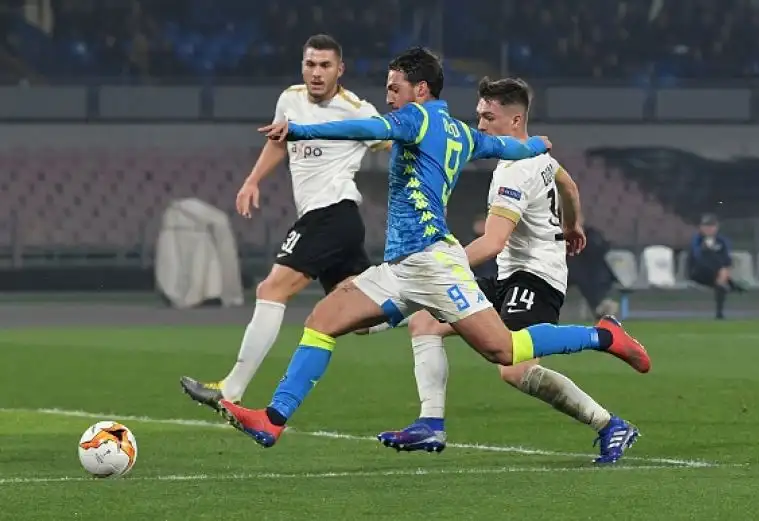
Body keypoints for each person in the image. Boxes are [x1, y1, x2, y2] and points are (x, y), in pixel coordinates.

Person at [217, 47, 650, 449]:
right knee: (323, 319)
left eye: (395, 88)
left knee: (506, 350)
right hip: (402, 266)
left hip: (432, 262)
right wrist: (537, 145)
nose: (389, 97)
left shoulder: (415, 119)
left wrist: (300, 130)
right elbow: (503, 146)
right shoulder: (461, 132)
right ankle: (274, 419)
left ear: (420, 89)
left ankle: (603, 336)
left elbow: (367, 128)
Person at [373, 77, 640, 464]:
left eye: (488, 117)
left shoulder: (514, 170)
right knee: (425, 323)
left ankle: (605, 365)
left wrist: (436, 268)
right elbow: (569, 186)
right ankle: (430, 423)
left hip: (536, 278)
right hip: (509, 277)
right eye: (479, 116)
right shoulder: (540, 156)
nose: (479, 125)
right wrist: (572, 225)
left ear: (515, 120)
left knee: (513, 367)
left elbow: (492, 243)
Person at [179, 34, 390, 410]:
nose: (316, 72)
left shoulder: (356, 110)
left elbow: (394, 141)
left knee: (271, 289)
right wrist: (253, 180)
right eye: (310, 64)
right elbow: (279, 141)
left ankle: (230, 390)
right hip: (331, 220)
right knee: (359, 318)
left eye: (325, 65)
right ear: (302, 67)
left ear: (340, 69)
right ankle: (425, 303)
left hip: (332, 214)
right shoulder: (289, 100)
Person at [688, 214, 742, 319]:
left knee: (721, 278)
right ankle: (730, 283)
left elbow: (727, 258)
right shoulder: (697, 240)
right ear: (701, 227)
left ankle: (719, 313)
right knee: (717, 267)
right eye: (706, 226)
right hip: (698, 272)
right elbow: (698, 257)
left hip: (716, 274)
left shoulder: (722, 241)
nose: (709, 229)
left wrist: (724, 268)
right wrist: (707, 249)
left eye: (711, 226)